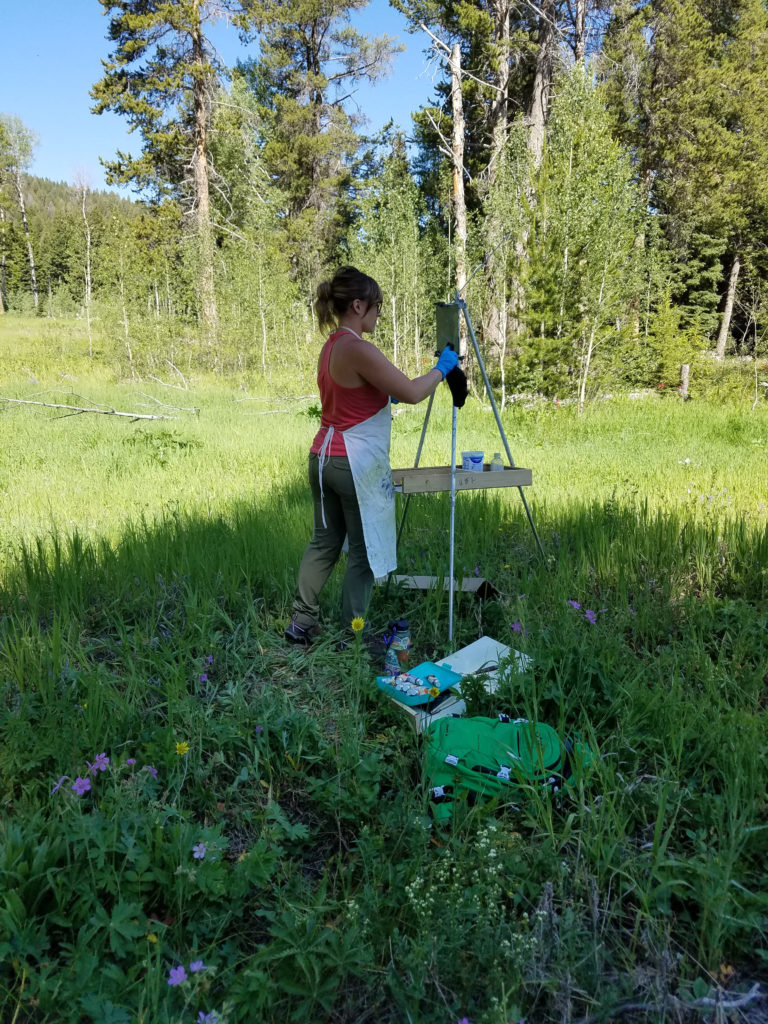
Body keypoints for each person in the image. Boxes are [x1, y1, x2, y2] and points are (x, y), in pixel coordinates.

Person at [285, 266, 459, 645]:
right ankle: (353, 633)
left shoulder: (331, 346)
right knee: (362, 553)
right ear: (359, 306)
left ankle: (301, 622)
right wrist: (442, 369)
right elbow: (413, 392)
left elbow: (353, 395)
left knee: (324, 543)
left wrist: (383, 395)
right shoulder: (357, 348)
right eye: (377, 307)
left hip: (322, 458)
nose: (379, 314)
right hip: (353, 462)